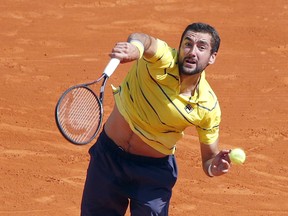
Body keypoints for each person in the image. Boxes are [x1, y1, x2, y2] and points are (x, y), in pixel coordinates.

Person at [81, 22, 231, 216]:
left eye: (201, 47)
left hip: (151, 176)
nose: (192, 51)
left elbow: (209, 159)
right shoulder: (163, 59)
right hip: (108, 159)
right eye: (188, 44)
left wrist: (213, 168)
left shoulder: (207, 106)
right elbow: (144, 39)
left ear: (212, 57)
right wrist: (136, 49)